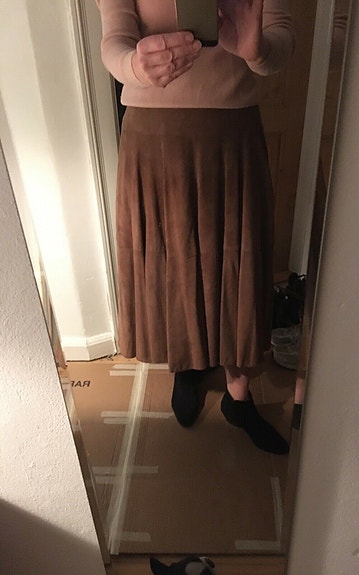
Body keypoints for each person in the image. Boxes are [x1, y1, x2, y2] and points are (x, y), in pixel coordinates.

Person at [96, 0, 295, 454]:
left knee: (238, 263)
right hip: (154, 138)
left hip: (233, 133)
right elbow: (114, 41)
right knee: (173, 261)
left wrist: (257, 49)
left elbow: (282, 40)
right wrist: (135, 66)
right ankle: (186, 367)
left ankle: (239, 397)